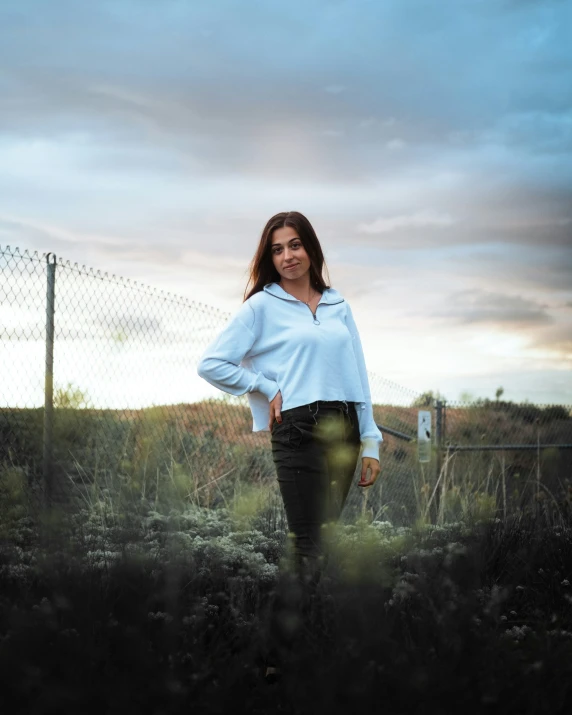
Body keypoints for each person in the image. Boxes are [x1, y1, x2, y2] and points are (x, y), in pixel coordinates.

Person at [197, 210, 383, 678]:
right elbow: (212, 363)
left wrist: (371, 439)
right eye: (277, 249)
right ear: (269, 256)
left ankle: (293, 643)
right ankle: (270, 661)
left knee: (319, 545)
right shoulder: (262, 306)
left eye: (294, 245)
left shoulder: (339, 305)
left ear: (311, 249)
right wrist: (263, 385)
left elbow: (359, 373)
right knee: (308, 545)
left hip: (344, 427)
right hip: (298, 428)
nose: (287, 256)